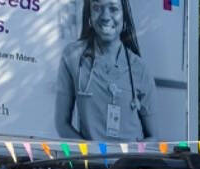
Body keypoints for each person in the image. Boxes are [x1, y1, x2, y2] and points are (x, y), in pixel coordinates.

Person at [55, 0, 156, 142]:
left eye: (113, 8)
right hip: (90, 161)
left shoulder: (139, 68)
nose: (105, 16)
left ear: (124, 15)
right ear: (89, 13)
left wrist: (132, 160)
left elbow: (153, 137)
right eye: (97, 8)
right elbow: (62, 125)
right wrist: (90, 154)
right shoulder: (72, 56)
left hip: (131, 162)